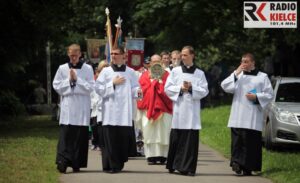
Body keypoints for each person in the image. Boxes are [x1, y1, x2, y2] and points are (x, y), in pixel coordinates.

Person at [221, 53, 273, 176]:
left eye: (246, 61)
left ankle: (248, 167)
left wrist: (257, 96)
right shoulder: (239, 76)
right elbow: (225, 86)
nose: (243, 64)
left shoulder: (262, 77)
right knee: (237, 142)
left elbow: (270, 94)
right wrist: (236, 72)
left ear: (253, 63)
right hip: (238, 115)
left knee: (250, 143)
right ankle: (236, 164)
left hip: (253, 116)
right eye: (242, 61)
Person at [95, 46, 141, 173]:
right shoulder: (106, 72)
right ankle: (111, 165)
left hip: (124, 112)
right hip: (110, 111)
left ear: (123, 55)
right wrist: (112, 84)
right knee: (110, 140)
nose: (113, 56)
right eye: (112, 54)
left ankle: (118, 163)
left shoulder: (131, 72)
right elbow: (98, 88)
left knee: (121, 140)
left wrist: (138, 92)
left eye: (116, 53)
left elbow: (135, 89)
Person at [165, 46, 209, 176]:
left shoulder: (200, 73)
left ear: (192, 55)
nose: (181, 58)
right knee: (176, 138)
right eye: (181, 55)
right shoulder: (175, 71)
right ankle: (174, 164)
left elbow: (205, 91)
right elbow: (168, 88)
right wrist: (180, 89)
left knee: (190, 140)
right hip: (179, 110)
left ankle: (188, 167)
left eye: (184, 55)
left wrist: (191, 88)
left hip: (192, 112)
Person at [53, 44, 95, 173]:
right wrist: (70, 81)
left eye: (76, 55)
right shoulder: (62, 68)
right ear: (68, 54)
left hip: (82, 107)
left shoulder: (88, 68)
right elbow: (57, 85)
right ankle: (63, 162)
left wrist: (77, 80)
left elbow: (91, 87)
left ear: (80, 54)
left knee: (79, 138)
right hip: (68, 107)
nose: (74, 58)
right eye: (71, 55)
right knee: (66, 136)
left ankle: (77, 163)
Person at [136, 54, 173, 165]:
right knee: (149, 132)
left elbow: (169, 92)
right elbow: (140, 91)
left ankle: (163, 156)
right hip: (148, 108)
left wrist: (159, 84)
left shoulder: (167, 75)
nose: (156, 63)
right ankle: (150, 156)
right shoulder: (144, 75)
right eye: (154, 61)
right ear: (150, 63)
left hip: (163, 108)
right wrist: (153, 84)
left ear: (161, 62)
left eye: (158, 61)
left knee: (163, 132)